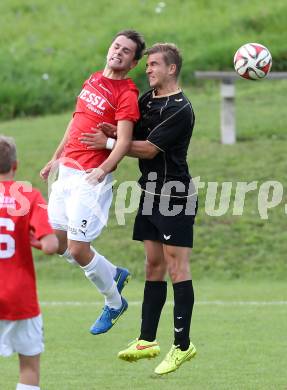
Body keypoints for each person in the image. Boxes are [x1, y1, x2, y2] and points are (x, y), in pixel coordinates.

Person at [79, 43, 198, 375]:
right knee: (153, 267)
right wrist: (113, 132)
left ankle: (183, 346)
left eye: (155, 64)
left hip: (175, 195)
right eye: (147, 65)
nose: (148, 69)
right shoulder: (147, 100)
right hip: (150, 193)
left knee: (178, 270)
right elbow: (130, 134)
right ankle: (147, 340)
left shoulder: (180, 108)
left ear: (171, 69)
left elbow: (146, 149)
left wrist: (108, 144)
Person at [40, 30, 146, 335]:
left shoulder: (126, 93)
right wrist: (55, 157)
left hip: (90, 178)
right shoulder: (93, 78)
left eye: (126, 51)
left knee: (77, 248)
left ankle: (114, 303)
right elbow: (75, 122)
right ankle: (114, 272)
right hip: (67, 173)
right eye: (116, 46)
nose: (118, 52)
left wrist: (103, 169)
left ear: (134, 62)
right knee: (56, 244)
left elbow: (124, 142)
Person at [0, 135, 59, 390]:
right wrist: (36, 242)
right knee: (29, 367)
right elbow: (51, 245)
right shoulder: (29, 196)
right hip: (19, 296)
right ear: (16, 165)